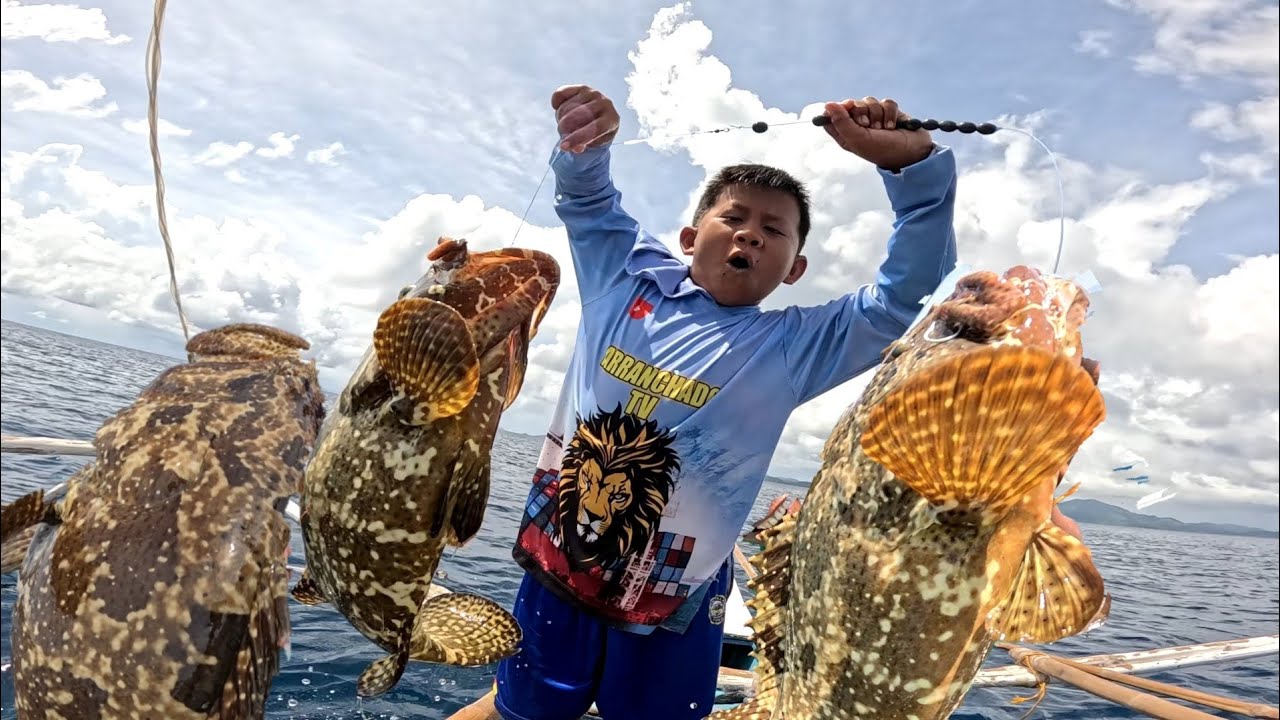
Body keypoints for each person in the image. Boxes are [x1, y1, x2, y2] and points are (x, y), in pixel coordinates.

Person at [493, 84, 959, 720]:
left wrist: (912, 166)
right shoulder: (623, 277)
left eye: (775, 230)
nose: (752, 236)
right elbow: (587, 201)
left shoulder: (794, 347)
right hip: (558, 558)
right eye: (734, 218)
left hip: (675, 590)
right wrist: (586, 144)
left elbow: (902, 294)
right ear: (690, 236)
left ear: (795, 268)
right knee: (526, 712)